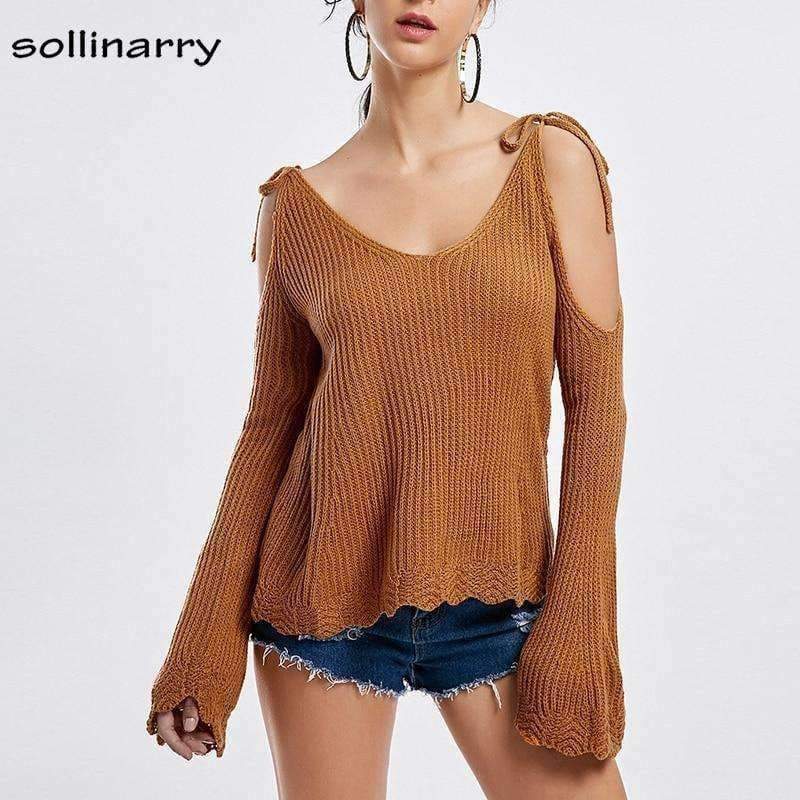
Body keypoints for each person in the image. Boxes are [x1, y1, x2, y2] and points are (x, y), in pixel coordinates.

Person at [146, 2, 628, 798]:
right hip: (320, 604)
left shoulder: (551, 161)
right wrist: (203, 637)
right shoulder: (296, 206)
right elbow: (271, 426)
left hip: (503, 600)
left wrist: (580, 618)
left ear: (483, 5)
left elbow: (597, 403)